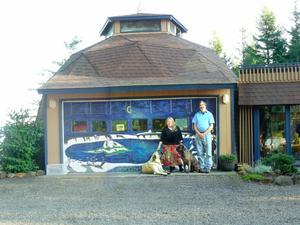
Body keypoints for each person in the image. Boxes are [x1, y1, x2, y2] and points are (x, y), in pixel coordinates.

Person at [192, 100, 215, 173]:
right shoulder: (196, 115)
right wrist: (199, 133)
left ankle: (208, 167)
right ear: (199, 107)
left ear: (205, 106)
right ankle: (202, 167)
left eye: (203, 105)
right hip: (198, 135)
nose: (201, 106)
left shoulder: (209, 114)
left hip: (207, 135)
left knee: (208, 152)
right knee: (199, 152)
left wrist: (204, 133)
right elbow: (194, 126)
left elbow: (211, 126)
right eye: (200, 105)